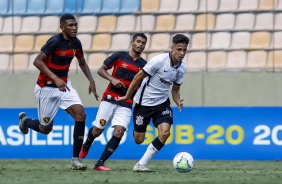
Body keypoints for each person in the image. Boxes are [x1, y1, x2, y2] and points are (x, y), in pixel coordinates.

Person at [18, 14, 99, 170]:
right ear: (62, 27)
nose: (74, 28)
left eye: (75, 25)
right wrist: (55, 78)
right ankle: (26, 121)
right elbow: (37, 61)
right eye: (70, 25)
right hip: (46, 88)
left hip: (64, 86)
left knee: (81, 114)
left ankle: (75, 160)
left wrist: (91, 80)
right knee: (45, 129)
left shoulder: (76, 43)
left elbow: (82, 62)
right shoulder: (55, 41)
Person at [116, 34, 189, 172]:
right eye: (179, 49)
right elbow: (138, 77)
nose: (182, 53)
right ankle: (138, 129)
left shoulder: (182, 68)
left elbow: (175, 89)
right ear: (172, 47)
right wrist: (127, 96)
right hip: (143, 103)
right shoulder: (158, 61)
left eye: (184, 50)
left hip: (162, 103)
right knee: (139, 140)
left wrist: (177, 100)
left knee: (165, 132)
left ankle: (141, 164)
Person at [79, 33, 147, 171]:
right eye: (138, 41)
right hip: (110, 98)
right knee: (97, 130)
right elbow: (101, 70)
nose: (140, 44)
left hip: (127, 102)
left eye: (143, 43)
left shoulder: (144, 65)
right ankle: (88, 142)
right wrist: (112, 79)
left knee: (119, 132)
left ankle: (100, 163)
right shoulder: (120, 56)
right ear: (132, 42)